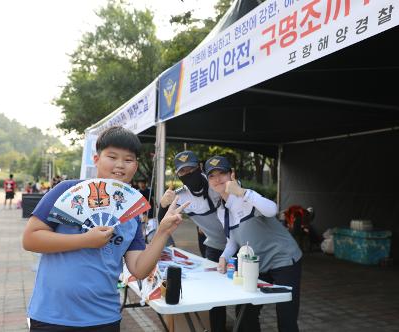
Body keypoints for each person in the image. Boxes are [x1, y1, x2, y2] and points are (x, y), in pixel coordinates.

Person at [22, 126, 188, 331]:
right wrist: (85, 240)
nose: (120, 165)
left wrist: (163, 232)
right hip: (52, 315)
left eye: (128, 160)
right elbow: (30, 239)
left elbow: (139, 269)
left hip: (104, 318)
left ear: (135, 166)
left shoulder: (132, 211)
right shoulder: (67, 190)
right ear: (96, 159)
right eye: (112, 156)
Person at [205, 156, 302, 332]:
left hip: (285, 261)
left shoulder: (247, 196)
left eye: (222, 173)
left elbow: (272, 209)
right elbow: (233, 240)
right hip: (258, 266)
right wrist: (223, 257)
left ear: (231, 174)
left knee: (286, 319)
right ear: (209, 181)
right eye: (212, 175)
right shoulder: (222, 210)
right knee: (245, 315)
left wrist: (242, 192)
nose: (218, 179)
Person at [158, 150, 228, 332]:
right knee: (215, 292)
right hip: (214, 246)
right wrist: (162, 205)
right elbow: (162, 223)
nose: (188, 174)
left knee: (244, 292)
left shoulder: (217, 183)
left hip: (239, 244)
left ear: (199, 167)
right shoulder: (180, 196)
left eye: (191, 169)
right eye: (182, 172)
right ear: (178, 175)